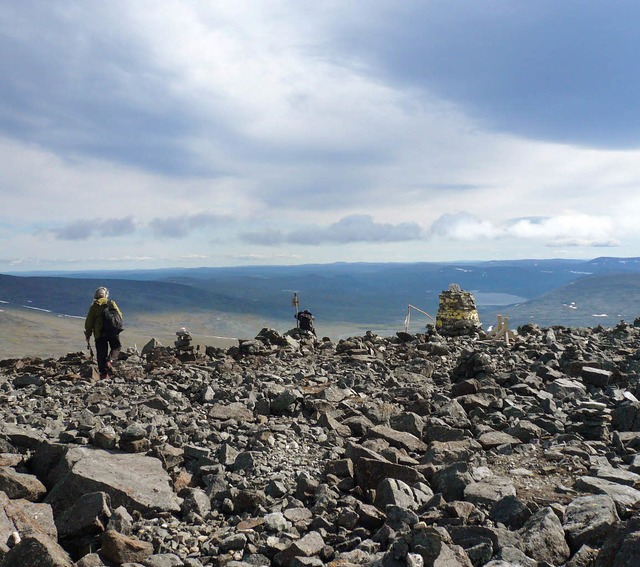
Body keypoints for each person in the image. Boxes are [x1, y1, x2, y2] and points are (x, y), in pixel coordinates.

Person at [85, 287, 123, 378]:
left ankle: (103, 375)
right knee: (116, 347)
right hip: (113, 331)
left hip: (100, 333)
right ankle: (110, 361)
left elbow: (89, 322)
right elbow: (120, 315)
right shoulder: (111, 303)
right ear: (106, 295)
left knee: (101, 354)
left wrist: (88, 334)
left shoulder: (94, 306)